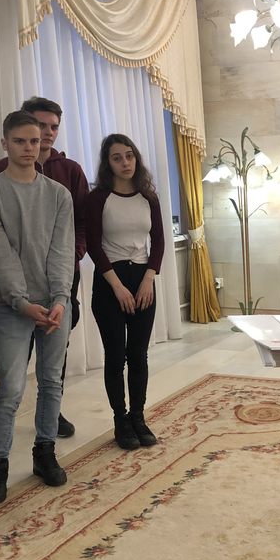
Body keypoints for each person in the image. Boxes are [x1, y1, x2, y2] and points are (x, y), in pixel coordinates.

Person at [0, 111, 74, 505]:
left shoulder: (58, 194)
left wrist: (61, 299)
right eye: (20, 141)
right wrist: (21, 301)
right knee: (11, 389)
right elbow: (1, 256)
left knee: (51, 382)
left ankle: (44, 453)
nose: (30, 148)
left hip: (55, 305)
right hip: (12, 307)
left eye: (35, 141)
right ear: (5, 143)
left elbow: (61, 250)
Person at [0, 96, 88, 439]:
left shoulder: (69, 172)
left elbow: (80, 223)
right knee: (15, 370)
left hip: (60, 278)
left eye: (52, 128)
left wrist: (73, 258)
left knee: (54, 363)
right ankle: (1, 446)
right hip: (16, 290)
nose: (45, 135)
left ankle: (50, 419)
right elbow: (3, 238)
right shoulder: (0, 176)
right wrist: (18, 297)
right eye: (40, 127)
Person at [85, 134, 163, 450]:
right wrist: (117, 285)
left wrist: (148, 279)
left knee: (139, 355)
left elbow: (158, 242)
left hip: (143, 280)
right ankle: (121, 420)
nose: (125, 162)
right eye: (117, 157)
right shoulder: (98, 198)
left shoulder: (148, 197)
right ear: (108, 163)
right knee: (116, 355)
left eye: (129, 155)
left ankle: (138, 417)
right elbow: (93, 245)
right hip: (109, 284)